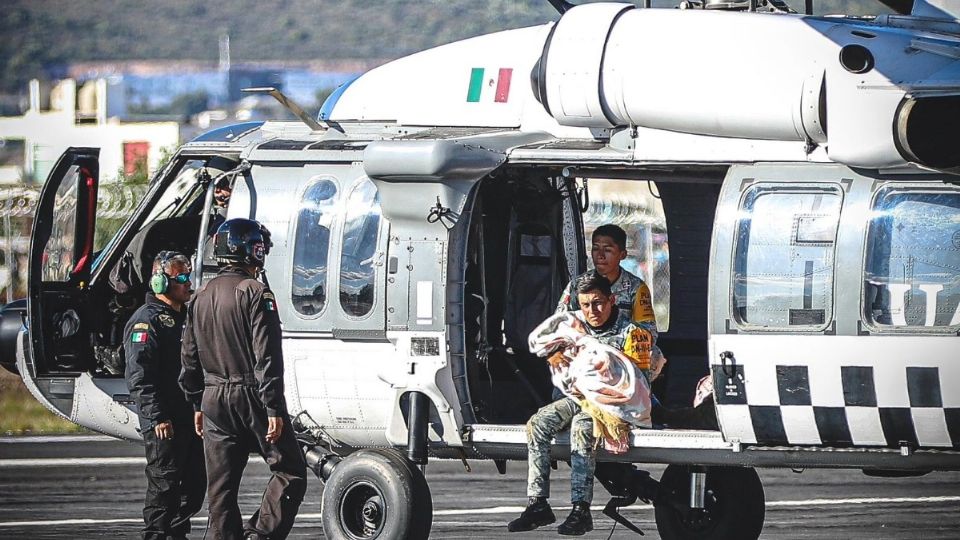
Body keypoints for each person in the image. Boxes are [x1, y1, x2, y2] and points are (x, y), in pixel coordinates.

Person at [180, 218, 307, 540]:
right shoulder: (255, 292)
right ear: (252, 250)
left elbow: (189, 357)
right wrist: (274, 408)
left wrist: (197, 402)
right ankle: (260, 534)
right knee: (290, 470)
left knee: (220, 490)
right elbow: (266, 356)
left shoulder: (200, 296)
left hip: (212, 398)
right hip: (250, 393)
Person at [509, 272, 656, 536]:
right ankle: (537, 503)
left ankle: (581, 509)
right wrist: (553, 355)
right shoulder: (572, 327)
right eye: (586, 305)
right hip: (576, 397)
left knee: (581, 429)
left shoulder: (631, 333)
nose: (592, 311)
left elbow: (639, 384)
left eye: (598, 303)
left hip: (611, 405)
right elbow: (545, 343)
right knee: (538, 424)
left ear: (612, 300)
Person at [124, 251, 205, 540]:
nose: (188, 283)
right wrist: (156, 415)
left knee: (194, 488)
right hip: (163, 421)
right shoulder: (146, 322)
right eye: (181, 277)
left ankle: (175, 535)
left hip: (188, 418)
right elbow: (139, 376)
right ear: (160, 282)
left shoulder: (186, 316)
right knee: (164, 488)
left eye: (188, 275)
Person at [556, 224, 656, 328]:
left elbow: (648, 331)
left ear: (622, 255)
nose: (600, 256)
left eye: (607, 250)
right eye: (595, 249)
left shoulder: (636, 288)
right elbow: (559, 324)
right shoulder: (577, 285)